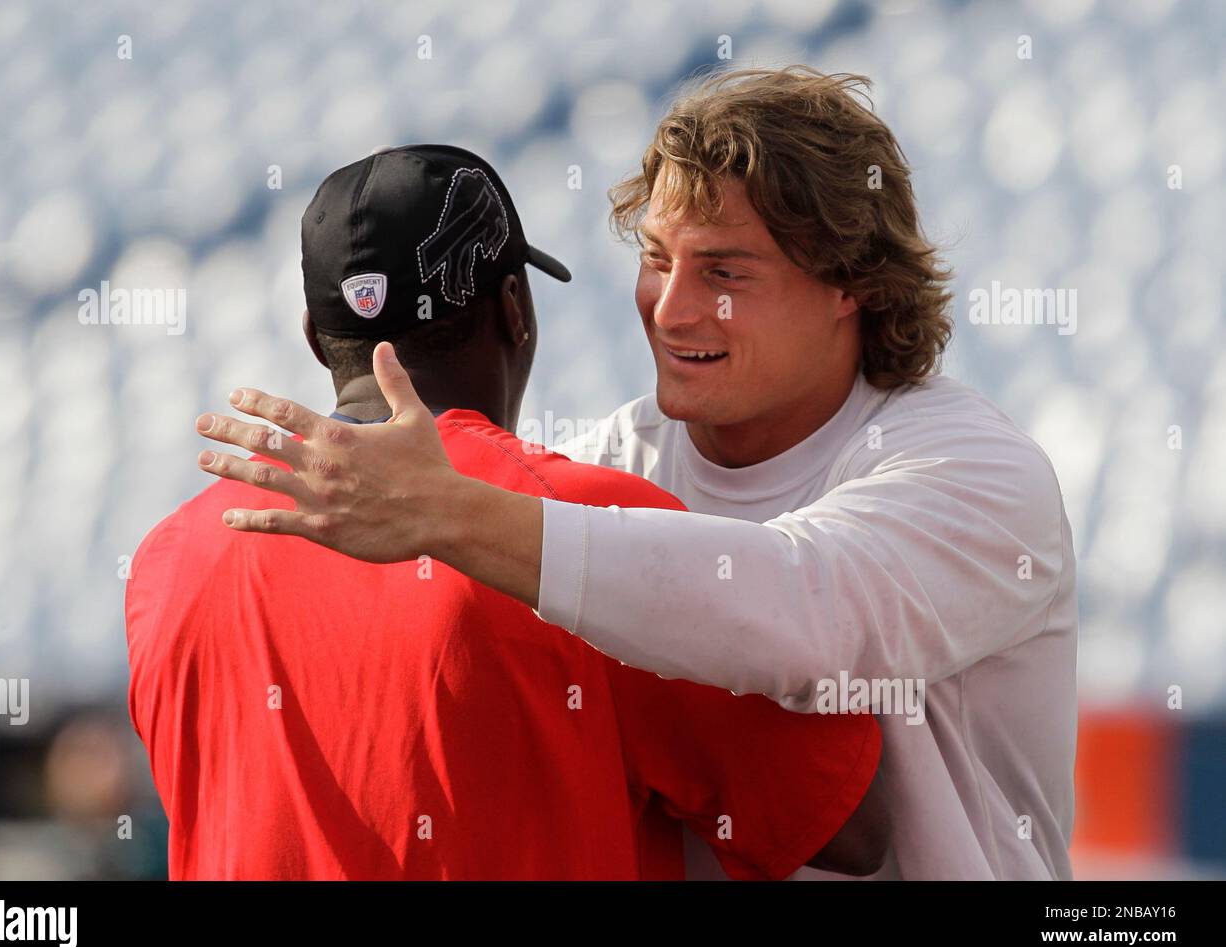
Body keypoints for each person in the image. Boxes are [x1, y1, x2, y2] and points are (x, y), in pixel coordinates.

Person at [194, 68, 1079, 880]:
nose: (672, 306)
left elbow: (806, 614)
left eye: (724, 272)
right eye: (657, 259)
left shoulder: (977, 471)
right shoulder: (615, 464)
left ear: (854, 283)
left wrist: (454, 515)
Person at [130, 144, 884, 879]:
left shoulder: (168, 562)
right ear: (515, 309)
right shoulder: (586, 523)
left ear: (318, 341)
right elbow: (850, 828)